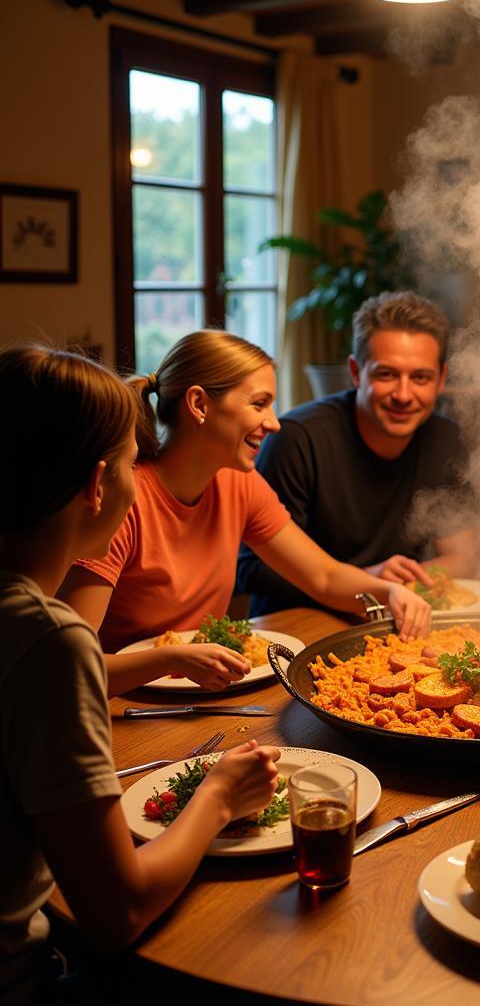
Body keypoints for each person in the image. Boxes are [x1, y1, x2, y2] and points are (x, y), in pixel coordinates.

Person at [0, 345, 281, 1004]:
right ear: (99, 486)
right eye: (131, 463)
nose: (140, 480)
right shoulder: (50, 639)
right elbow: (116, 915)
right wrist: (217, 796)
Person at [58, 330, 431, 698]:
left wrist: (390, 592)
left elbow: (324, 576)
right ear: (199, 405)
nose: (274, 422)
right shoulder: (126, 499)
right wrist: (171, 660)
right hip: (120, 711)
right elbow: (67, 666)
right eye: (259, 404)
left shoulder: (239, 484)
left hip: (209, 697)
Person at [237, 291, 474, 617]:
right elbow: (251, 570)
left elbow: (462, 556)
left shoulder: (445, 438)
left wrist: (408, 582)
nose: (404, 395)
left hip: (393, 619)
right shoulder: (298, 438)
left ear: (441, 379)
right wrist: (368, 580)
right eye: (386, 374)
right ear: (355, 371)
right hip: (300, 627)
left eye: (420, 377)